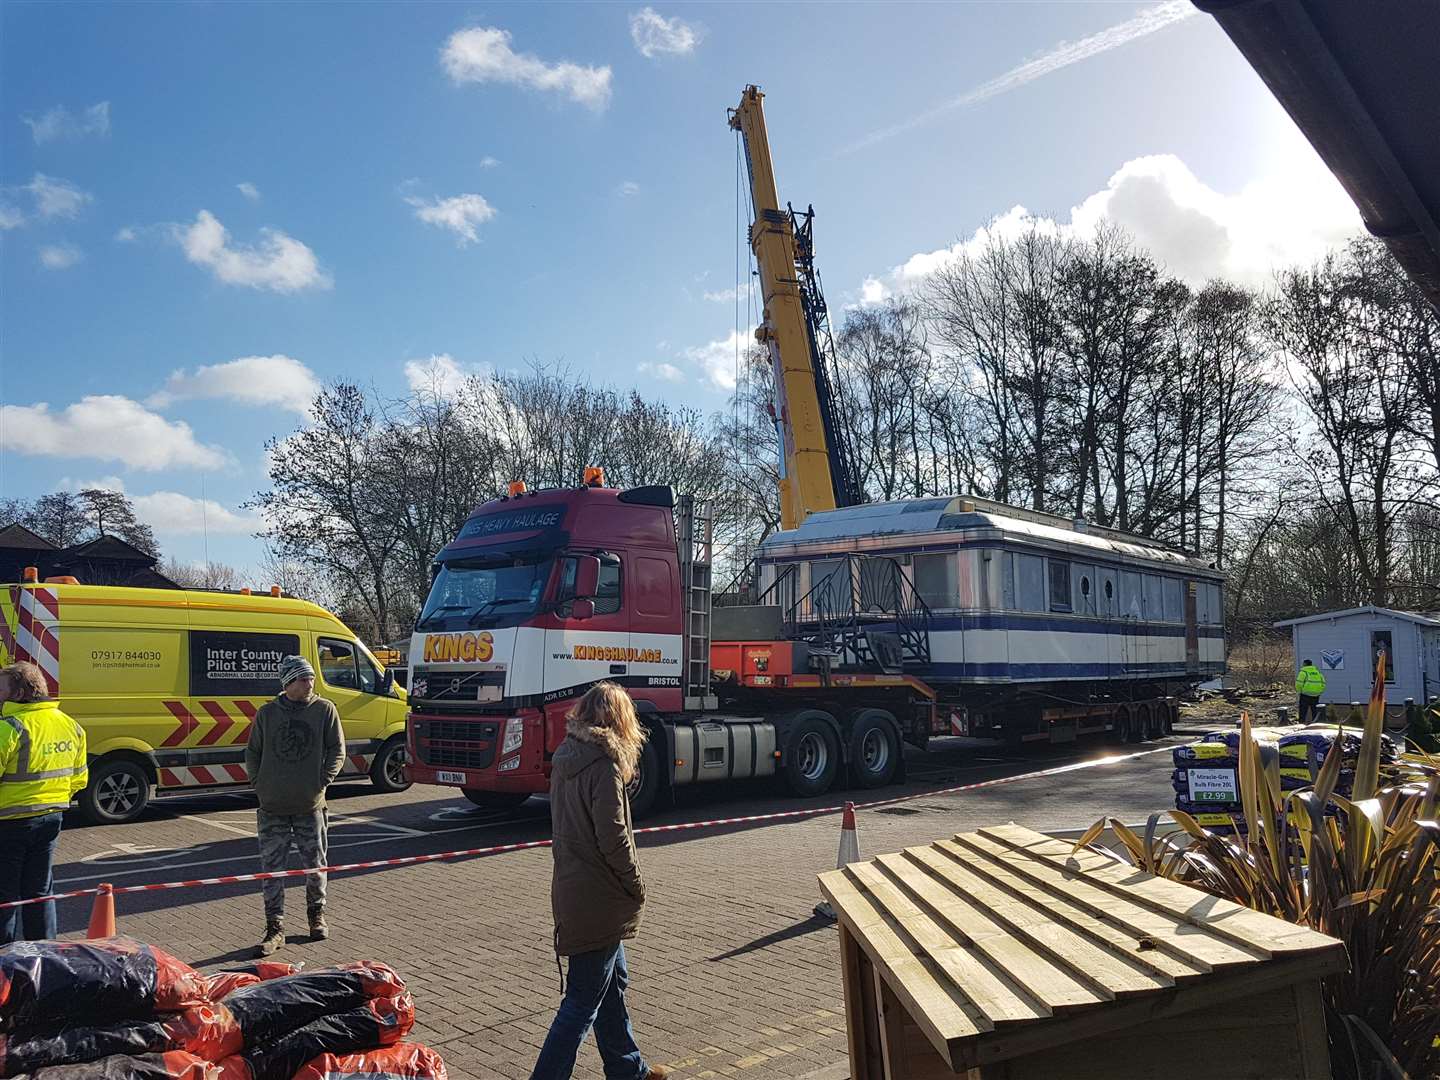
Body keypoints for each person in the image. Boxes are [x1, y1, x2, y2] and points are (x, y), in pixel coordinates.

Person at [529, 683, 669, 1080]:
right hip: (601, 895)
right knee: (581, 1003)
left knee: (612, 983)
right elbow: (614, 838)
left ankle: (628, 1069)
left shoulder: (567, 758)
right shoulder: (604, 767)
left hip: (574, 889)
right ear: (618, 720)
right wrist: (636, 884)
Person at [244, 654, 344, 957]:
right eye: (303, 678)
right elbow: (253, 752)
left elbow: (337, 750)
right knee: (272, 869)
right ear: (288, 682)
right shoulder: (267, 714)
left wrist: (321, 781)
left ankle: (317, 915)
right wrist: (259, 784)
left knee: (315, 864)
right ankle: (275, 927)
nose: (310, 682)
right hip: (272, 805)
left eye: (311, 677)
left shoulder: (325, 710)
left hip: (310, 805)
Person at [0, 661, 87, 944]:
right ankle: (44, 954)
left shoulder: (10, 728)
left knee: (5, 896)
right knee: (39, 891)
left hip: (9, 821)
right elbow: (79, 778)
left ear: (19, 693)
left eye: (1, 688)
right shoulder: (70, 725)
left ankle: (6, 962)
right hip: (51, 818)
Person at [1295, 658, 1326, 724]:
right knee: (1315, 710)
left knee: (1303, 711)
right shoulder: (1318, 673)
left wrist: (1300, 691)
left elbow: (1298, 683)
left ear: (1305, 664)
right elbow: (1323, 683)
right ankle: (1316, 724)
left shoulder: (1303, 672)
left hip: (1305, 694)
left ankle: (1301, 724)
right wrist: (1320, 691)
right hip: (1316, 695)